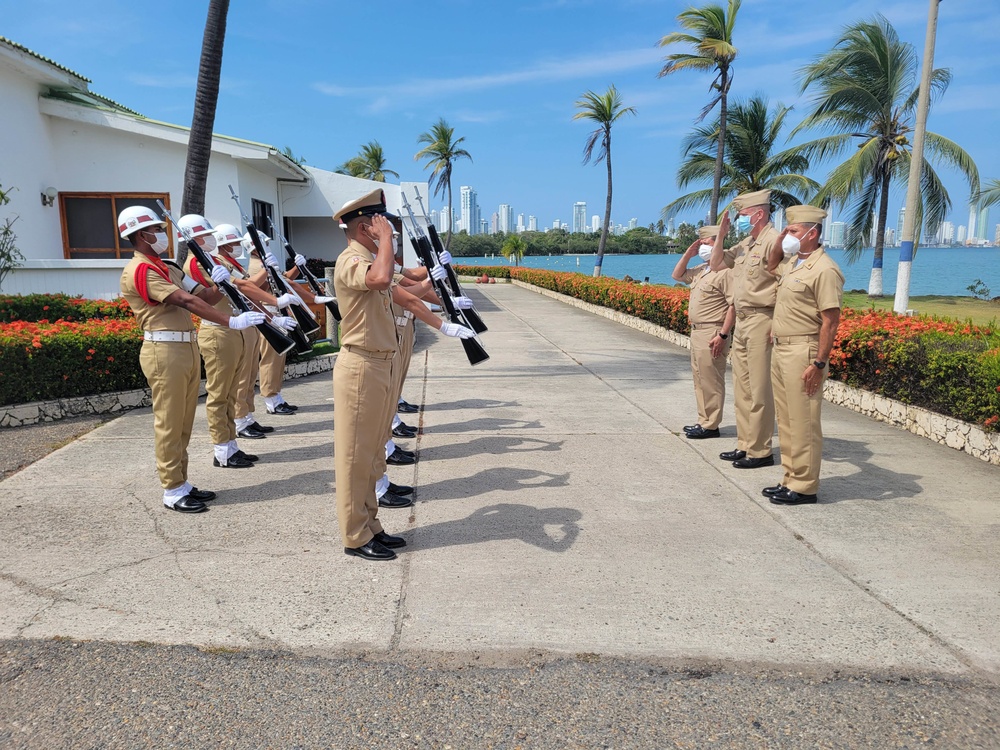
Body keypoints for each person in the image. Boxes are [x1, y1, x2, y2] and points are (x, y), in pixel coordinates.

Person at [117, 205, 263, 513]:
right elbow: (183, 299)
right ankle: (171, 489)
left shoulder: (166, 266)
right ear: (141, 235)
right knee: (170, 423)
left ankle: (182, 482)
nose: (161, 235)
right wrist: (229, 322)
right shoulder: (140, 270)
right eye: (156, 230)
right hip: (163, 351)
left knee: (183, 422)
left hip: (183, 347)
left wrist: (220, 283)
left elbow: (201, 295)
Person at [180, 215, 294, 469]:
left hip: (233, 328)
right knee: (220, 394)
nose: (210, 238)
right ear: (194, 238)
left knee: (232, 392)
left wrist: (273, 316)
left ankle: (231, 445)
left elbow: (240, 289)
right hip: (219, 331)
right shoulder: (195, 264)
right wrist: (273, 303)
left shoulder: (210, 260)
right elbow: (216, 296)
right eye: (205, 234)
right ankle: (222, 449)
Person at [763, 205, 844, 505]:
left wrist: (819, 363)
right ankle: (790, 478)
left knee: (804, 421)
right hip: (782, 348)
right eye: (787, 230)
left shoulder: (824, 269)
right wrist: (781, 238)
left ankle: (805, 486)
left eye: (794, 231)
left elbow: (830, 320)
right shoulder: (795, 263)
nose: (788, 236)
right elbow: (772, 264)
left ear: (813, 233)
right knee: (786, 419)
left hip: (804, 350)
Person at [710, 189, 781, 469]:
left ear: (759, 214)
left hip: (763, 318)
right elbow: (716, 263)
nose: (739, 219)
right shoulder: (747, 243)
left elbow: (784, 284)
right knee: (743, 388)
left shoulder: (774, 242)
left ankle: (761, 450)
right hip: (742, 320)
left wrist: (778, 324)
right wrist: (721, 235)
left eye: (743, 214)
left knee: (760, 389)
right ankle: (745, 443)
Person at [672, 225, 734, 440]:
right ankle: (703, 420)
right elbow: (677, 274)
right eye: (701, 244)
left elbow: (732, 305)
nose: (702, 248)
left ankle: (711, 425)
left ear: (717, 243)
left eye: (706, 244)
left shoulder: (725, 271)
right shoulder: (702, 269)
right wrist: (688, 254)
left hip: (713, 331)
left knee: (712, 379)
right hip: (697, 331)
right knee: (700, 378)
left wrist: (723, 335)